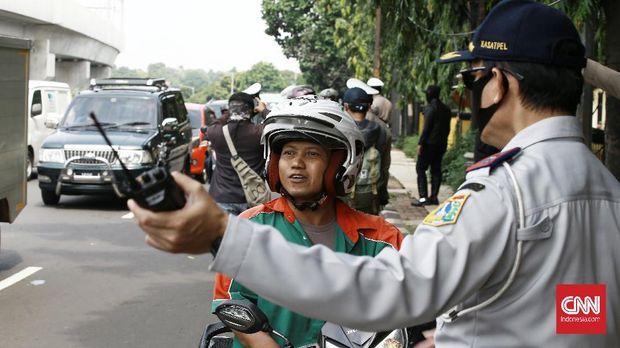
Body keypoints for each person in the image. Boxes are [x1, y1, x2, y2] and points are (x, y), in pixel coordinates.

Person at [128, 1, 620, 346]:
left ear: (500, 84)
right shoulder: (605, 188)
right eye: (289, 154)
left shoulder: (503, 191)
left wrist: (221, 234)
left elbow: (386, 291)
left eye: (472, 79)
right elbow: (581, 310)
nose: (468, 94)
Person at [212, 96, 404, 348]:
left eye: (312, 154)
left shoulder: (380, 239)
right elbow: (231, 303)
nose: (296, 164)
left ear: (339, 165)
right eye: (289, 152)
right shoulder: (249, 229)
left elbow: (416, 301)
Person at [205, 92, 264, 215]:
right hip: (252, 198)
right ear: (251, 110)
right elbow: (274, 124)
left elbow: (215, 122)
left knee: (226, 234)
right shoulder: (259, 133)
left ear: (230, 109)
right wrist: (263, 110)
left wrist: (229, 112)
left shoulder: (215, 132)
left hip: (222, 197)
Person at [342, 87, 390, 214]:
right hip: (371, 193)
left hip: (342, 195)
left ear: (346, 106)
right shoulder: (382, 131)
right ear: (369, 107)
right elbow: (384, 167)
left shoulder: (339, 130)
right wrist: (382, 195)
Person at [412, 85, 451, 206]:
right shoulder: (446, 109)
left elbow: (427, 128)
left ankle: (423, 198)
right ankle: (434, 197)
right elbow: (447, 129)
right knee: (436, 170)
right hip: (441, 144)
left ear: (429, 94)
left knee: (420, 168)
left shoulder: (430, 108)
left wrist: (420, 143)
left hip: (429, 144)